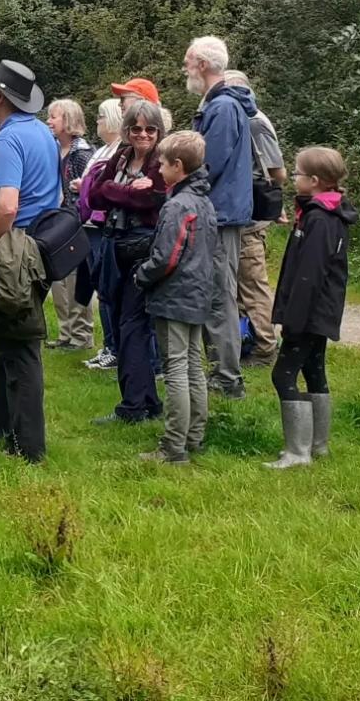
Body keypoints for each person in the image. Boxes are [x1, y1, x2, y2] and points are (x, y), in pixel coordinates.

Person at [0, 60, 61, 462]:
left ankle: (28, 446)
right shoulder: (41, 132)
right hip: (36, 247)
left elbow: (6, 205)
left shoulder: (8, 140)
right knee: (3, 340)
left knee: (20, 348)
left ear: (0, 97)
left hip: (13, 251)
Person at [264, 148, 357, 469]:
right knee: (314, 370)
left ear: (314, 180)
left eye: (298, 173)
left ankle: (298, 453)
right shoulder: (321, 212)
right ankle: (318, 446)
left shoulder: (320, 218)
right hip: (319, 312)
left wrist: (293, 320)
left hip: (309, 313)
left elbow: (310, 274)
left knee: (283, 375)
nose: (294, 178)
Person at [135, 131, 217, 463]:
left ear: (178, 166)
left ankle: (173, 447)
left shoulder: (177, 205)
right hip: (198, 292)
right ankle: (194, 436)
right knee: (194, 366)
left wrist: (142, 275)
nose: (158, 170)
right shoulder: (205, 201)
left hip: (175, 295)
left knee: (176, 368)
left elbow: (167, 257)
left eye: (162, 164)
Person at [85, 99, 167, 425]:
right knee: (122, 323)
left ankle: (133, 406)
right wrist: (125, 190)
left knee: (132, 327)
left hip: (144, 251)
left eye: (150, 129)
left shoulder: (162, 161)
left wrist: (115, 190)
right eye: (136, 128)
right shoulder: (121, 155)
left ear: (159, 131)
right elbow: (94, 196)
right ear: (127, 130)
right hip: (116, 247)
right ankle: (147, 401)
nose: (143, 135)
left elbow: (154, 199)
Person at [184, 35, 257, 400]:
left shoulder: (224, 108)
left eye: (187, 62)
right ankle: (214, 370)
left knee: (219, 295)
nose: (184, 69)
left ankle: (228, 377)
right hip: (217, 211)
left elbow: (208, 163)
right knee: (212, 292)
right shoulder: (218, 104)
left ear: (201, 63)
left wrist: (181, 192)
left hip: (221, 215)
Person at [224, 70, 287, 366]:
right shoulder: (245, 120)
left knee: (251, 284)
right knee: (236, 285)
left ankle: (265, 346)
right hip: (239, 214)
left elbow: (278, 173)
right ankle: (245, 341)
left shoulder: (255, 123)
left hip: (250, 218)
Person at [77, 98, 125, 370]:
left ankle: (114, 347)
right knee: (99, 286)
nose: (97, 122)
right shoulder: (105, 149)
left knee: (107, 288)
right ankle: (108, 344)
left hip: (101, 225)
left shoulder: (117, 151)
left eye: (101, 117)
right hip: (90, 224)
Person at [45, 98, 95, 350]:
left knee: (76, 281)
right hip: (55, 223)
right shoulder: (52, 148)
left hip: (75, 225)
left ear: (68, 121)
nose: (49, 121)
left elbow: (87, 195)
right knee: (58, 280)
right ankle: (65, 333)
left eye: (54, 117)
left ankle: (81, 336)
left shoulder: (83, 154)